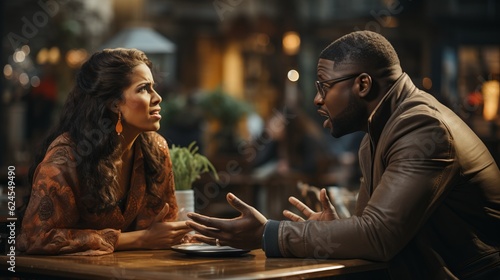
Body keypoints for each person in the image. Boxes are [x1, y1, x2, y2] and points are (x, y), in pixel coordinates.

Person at [185, 31, 500, 279]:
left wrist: (269, 233)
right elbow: (374, 231)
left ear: (363, 84)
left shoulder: (422, 127)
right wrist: (332, 230)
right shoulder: (379, 132)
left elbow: (378, 237)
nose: (316, 99)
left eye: (324, 86)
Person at [18, 48, 191, 255]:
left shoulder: (155, 149)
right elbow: (35, 239)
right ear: (114, 103)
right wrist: (136, 239)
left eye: (153, 87)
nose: (158, 98)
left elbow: (163, 231)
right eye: (144, 89)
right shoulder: (68, 157)